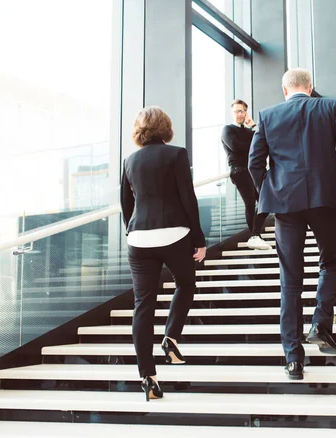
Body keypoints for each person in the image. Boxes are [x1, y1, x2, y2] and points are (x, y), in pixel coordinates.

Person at [248, 68, 336, 381]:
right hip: (326, 198)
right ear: (310, 88)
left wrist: (270, 191)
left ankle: (293, 360)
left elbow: (253, 163)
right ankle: (320, 324)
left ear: (284, 89)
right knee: (330, 262)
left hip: (286, 205)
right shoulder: (330, 107)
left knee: (290, 280)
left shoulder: (268, 115)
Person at [121, 106, 207, 401]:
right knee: (186, 284)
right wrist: (199, 238)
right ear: (165, 128)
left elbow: (125, 204)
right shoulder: (176, 154)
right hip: (175, 233)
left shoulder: (129, 160)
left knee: (142, 305)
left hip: (139, 238)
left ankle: (148, 377)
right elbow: (187, 196)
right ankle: (170, 338)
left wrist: (132, 230)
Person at [221, 99, 272, 250]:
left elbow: (264, 142)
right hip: (239, 171)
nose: (240, 114)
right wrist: (254, 143)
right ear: (232, 113)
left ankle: (255, 235)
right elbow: (237, 147)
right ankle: (254, 235)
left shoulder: (250, 131)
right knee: (250, 202)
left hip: (252, 171)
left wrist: (254, 126)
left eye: (242, 111)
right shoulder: (227, 130)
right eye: (237, 111)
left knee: (265, 199)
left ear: (246, 112)